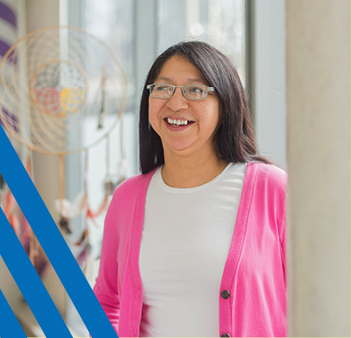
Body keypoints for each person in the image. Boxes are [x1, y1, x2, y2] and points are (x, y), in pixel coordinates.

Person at [93, 41, 287, 337]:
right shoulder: (126, 197)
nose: (176, 103)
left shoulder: (272, 189)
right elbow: (107, 300)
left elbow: (317, 298)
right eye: (163, 88)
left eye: (195, 90)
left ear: (226, 104)